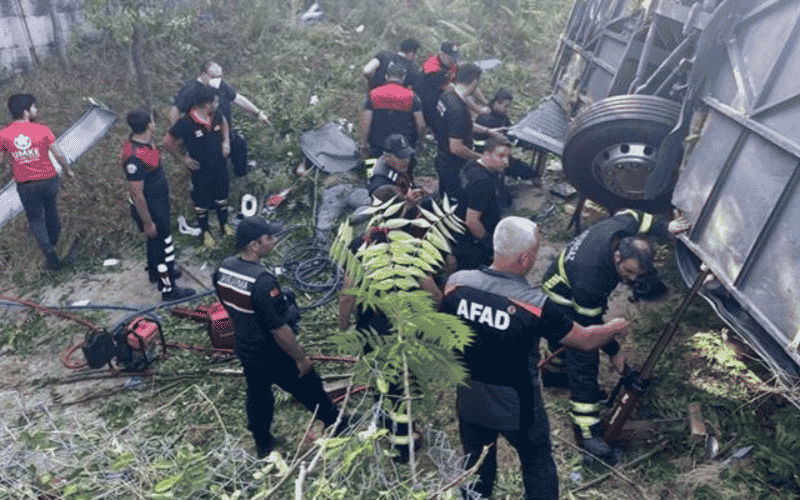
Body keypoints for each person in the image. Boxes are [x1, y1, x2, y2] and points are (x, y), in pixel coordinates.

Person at [440, 216, 629, 500]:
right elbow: (584, 340)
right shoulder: (536, 305)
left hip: (470, 402)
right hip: (520, 409)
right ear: (526, 257)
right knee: (538, 467)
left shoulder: (456, 284)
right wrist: (615, 327)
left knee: (476, 471)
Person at [540, 209, 690, 460]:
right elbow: (590, 331)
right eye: (627, 273)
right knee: (583, 356)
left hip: (570, 282)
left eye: (637, 275)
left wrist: (665, 228)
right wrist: (614, 351)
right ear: (617, 255)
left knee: (564, 342)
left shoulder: (623, 226)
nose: (630, 280)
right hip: (561, 297)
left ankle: (554, 376)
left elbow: (637, 216)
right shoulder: (591, 276)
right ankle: (586, 430)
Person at [214, 217, 343, 458]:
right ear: (254, 245)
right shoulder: (262, 281)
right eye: (269, 238)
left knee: (258, 394)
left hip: (245, 346)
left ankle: (262, 441)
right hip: (271, 351)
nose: (274, 241)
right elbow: (279, 329)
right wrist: (301, 358)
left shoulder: (224, 268)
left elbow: (227, 307)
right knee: (308, 384)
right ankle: (336, 422)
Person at [121, 109, 195, 301]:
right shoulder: (134, 157)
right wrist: (147, 222)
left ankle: (156, 272)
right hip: (150, 207)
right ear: (149, 125)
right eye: (153, 121)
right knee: (162, 245)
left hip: (159, 202)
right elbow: (137, 194)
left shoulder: (145, 142)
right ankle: (169, 289)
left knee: (157, 242)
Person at [0, 94, 73, 270]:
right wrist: (67, 170)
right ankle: (53, 240)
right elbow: (58, 154)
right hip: (48, 180)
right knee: (51, 211)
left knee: (35, 219)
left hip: (25, 185)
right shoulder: (42, 129)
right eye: (33, 107)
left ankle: (50, 255)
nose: (36, 109)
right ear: (25, 111)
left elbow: (0, 161)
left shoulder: (3, 134)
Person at [169, 61, 270, 177]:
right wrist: (180, 138)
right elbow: (174, 112)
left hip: (223, 130)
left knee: (238, 144)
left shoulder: (220, 85)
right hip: (203, 136)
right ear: (204, 74)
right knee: (210, 168)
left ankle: (241, 174)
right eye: (213, 77)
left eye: (220, 76)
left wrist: (258, 113)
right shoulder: (190, 90)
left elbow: (237, 98)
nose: (217, 80)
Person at [163, 86, 231, 248]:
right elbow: (167, 142)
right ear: (206, 104)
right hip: (200, 168)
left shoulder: (215, 114)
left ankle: (224, 225)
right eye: (214, 101)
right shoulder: (186, 122)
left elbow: (224, 123)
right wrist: (182, 158)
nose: (217, 103)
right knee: (201, 199)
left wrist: (226, 141)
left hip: (219, 164)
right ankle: (206, 231)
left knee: (222, 195)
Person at [433, 64, 504, 203]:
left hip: (442, 156)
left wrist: (488, 131)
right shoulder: (457, 110)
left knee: (444, 197)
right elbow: (456, 148)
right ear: (474, 81)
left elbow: (463, 125)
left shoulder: (447, 96)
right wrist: (482, 158)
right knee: (454, 203)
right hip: (453, 165)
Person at [452, 137, 510, 271]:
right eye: (501, 156)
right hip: (472, 246)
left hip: (458, 234)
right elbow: (472, 221)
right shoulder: (483, 183)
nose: (506, 162)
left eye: (508, 157)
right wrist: (490, 244)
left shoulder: (472, 164)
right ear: (486, 154)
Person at [360, 62, 425, 158]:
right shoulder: (412, 96)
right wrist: (420, 142)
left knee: (372, 166)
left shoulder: (373, 94)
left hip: (377, 145)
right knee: (404, 167)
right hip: (403, 148)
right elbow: (421, 125)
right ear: (403, 77)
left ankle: (371, 167)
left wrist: (364, 144)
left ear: (386, 76)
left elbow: (365, 122)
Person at [474, 88, 536, 182]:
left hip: (497, 154)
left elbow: (510, 131)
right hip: (486, 156)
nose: (508, 110)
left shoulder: (500, 115)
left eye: (509, 106)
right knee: (523, 170)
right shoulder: (487, 119)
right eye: (506, 106)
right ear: (496, 103)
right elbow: (505, 139)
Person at [418, 41, 460, 133]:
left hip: (440, 101)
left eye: (454, 57)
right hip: (427, 104)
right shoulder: (431, 66)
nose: (453, 60)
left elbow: (459, 80)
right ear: (442, 54)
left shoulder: (451, 64)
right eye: (450, 57)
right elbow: (452, 88)